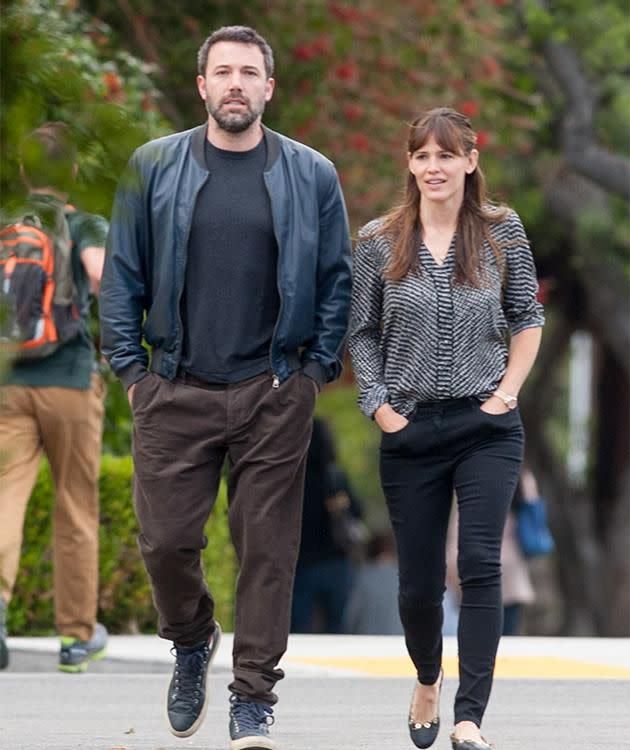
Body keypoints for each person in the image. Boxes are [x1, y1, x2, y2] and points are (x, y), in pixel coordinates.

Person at [99, 25, 351, 750]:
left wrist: (312, 372)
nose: (236, 83)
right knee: (167, 542)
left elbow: (337, 282)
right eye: (223, 72)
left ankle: (253, 697)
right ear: (203, 85)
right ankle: (190, 638)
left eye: (249, 72)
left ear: (270, 88)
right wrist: (132, 372)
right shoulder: (153, 167)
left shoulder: (311, 174)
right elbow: (122, 276)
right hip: (173, 387)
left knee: (267, 550)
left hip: (273, 389)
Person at [348, 107, 544, 750]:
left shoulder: (500, 231)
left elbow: (525, 318)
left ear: (470, 159)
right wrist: (381, 410)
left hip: (485, 423)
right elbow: (361, 333)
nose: (434, 167)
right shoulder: (379, 238)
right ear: (409, 163)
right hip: (408, 429)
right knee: (418, 582)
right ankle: (428, 676)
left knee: (480, 563)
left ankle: (469, 716)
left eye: (446, 155)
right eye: (423, 156)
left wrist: (506, 395)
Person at [0, 122, 108, 673]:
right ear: (71, 173)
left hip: (8, 383)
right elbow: (100, 274)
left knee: (5, 497)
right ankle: (74, 638)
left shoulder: (7, 221)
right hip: (69, 379)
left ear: (22, 171)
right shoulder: (83, 221)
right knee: (75, 508)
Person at [291, 417, 366, 634]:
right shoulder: (335, 476)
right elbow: (357, 512)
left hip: (302, 562)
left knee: (299, 626)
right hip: (336, 561)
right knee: (337, 627)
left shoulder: (294, 479)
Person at [343, 529, 404, 635]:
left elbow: (351, 616)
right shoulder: (405, 578)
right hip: (397, 644)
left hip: (368, 642)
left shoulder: (364, 576)